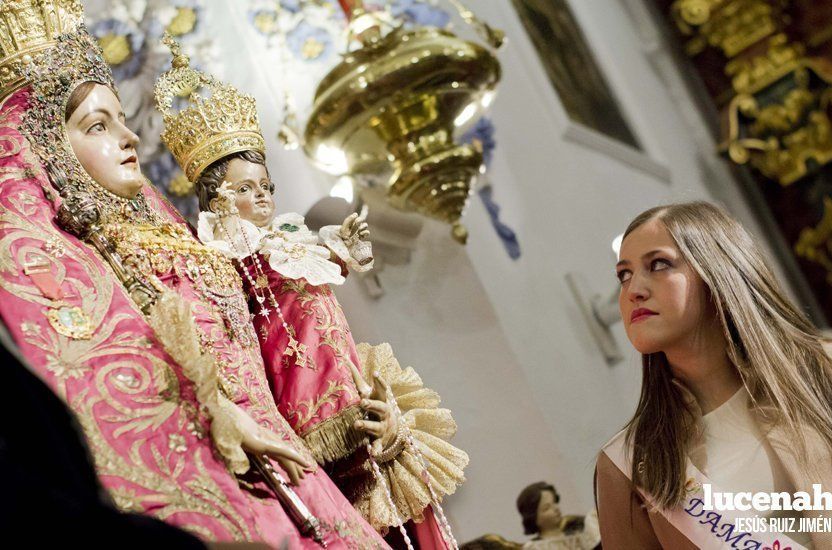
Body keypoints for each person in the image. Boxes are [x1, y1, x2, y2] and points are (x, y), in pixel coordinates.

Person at [0, 3, 386, 547]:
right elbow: (101, 373)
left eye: (123, 119)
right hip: (216, 478)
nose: (130, 138)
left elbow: (281, 356)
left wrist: (364, 402)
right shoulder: (56, 262)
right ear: (48, 150)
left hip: (294, 476)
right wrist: (215, 412)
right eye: (98, 125)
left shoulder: (188, 243)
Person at [153, 36, 468, 548]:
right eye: (244, 187)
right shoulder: (219, 255)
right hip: (300, 407)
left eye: (266, 186)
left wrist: (343, 247)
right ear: (216, 198)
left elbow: (319, 269)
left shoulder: (288, 241)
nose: (261, 196)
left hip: (350, 387)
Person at [595, 202, 832, 549]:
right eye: (624, 275)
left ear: (718, 271)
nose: (633, 290)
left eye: (659, 264)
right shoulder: (629, 465)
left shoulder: (828, 372)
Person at [516, 482, 600, 549]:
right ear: (533, 517)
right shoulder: (535, 547)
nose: (555, 508)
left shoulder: (577, 534)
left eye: (555, 502)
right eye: (547, 508)